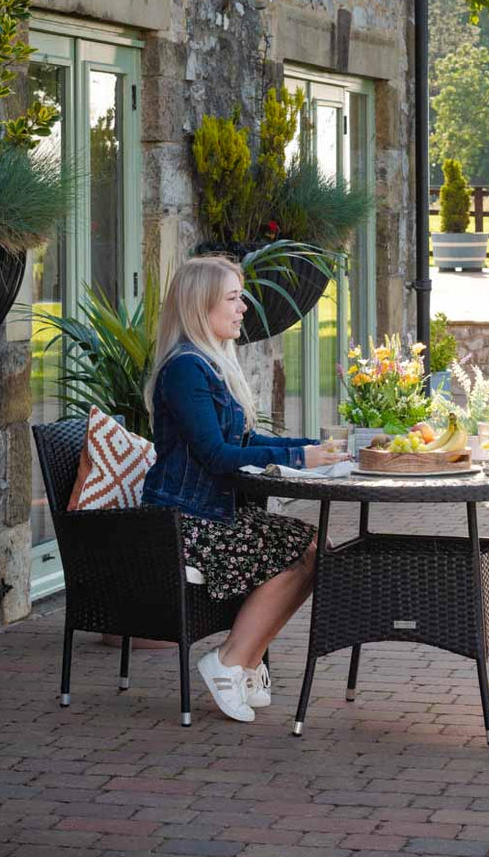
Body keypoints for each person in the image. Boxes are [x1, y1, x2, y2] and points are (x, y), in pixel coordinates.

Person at [142, 255, 347, 723]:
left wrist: (315, 447)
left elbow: (247, 442)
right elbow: (216, 455)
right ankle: (229, 662)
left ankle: (245, 662)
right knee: (306, 548)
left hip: (212, 515)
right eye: (233, 298)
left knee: (316, 548)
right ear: (201, 306)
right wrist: (298, 460)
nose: (243, 309)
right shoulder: (185, 370)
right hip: (184, 523)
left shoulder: (209, 365)